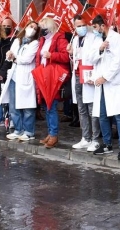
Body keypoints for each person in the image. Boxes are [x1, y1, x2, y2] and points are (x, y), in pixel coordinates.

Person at [87, 15, 120, 160]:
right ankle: (107, 144)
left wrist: (105, 77)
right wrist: (100, 49)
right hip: (102, 84)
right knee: (102, 115)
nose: (94, 31)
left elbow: (118, 62)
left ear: (102, 25)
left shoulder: (116, 38)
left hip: (114, 82)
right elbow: (90, 58)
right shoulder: (99, 40)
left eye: (95, 27)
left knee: (119, 116)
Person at [68, 15, 102, 151]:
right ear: (74, 27)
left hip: (89, 76)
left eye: (83, 25)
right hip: (77, 75)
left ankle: (95, 139)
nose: (81, 28)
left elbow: (95, 57)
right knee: (81, 108)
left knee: (92, 109)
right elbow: (75, 58)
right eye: (78, 26)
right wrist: (71, 53)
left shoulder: (94, 38)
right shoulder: (75, 39)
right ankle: (85, 137)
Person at [36, 17, 71, 149]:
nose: (42, 30)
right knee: (47, 107)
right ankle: (51, 133)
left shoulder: (60, 38)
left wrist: (52, 55)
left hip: (53, 77)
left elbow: (66, 56)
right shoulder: (43, 40)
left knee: (51, 107)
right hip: (44, 76)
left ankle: (54, 134)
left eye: (44, 27)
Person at [6, 22, 40, 142]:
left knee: (27, 106)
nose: (32, 30)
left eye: (35, 28)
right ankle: (18, 130)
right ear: (25, 27)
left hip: (26, 76)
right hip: (14, 76)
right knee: (13, 105)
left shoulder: (35, 43)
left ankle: (29, 131)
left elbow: (27, 59)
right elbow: (9, 55)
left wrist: (14, 58)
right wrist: (9, 55)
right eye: (31, 27)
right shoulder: (17, 40)